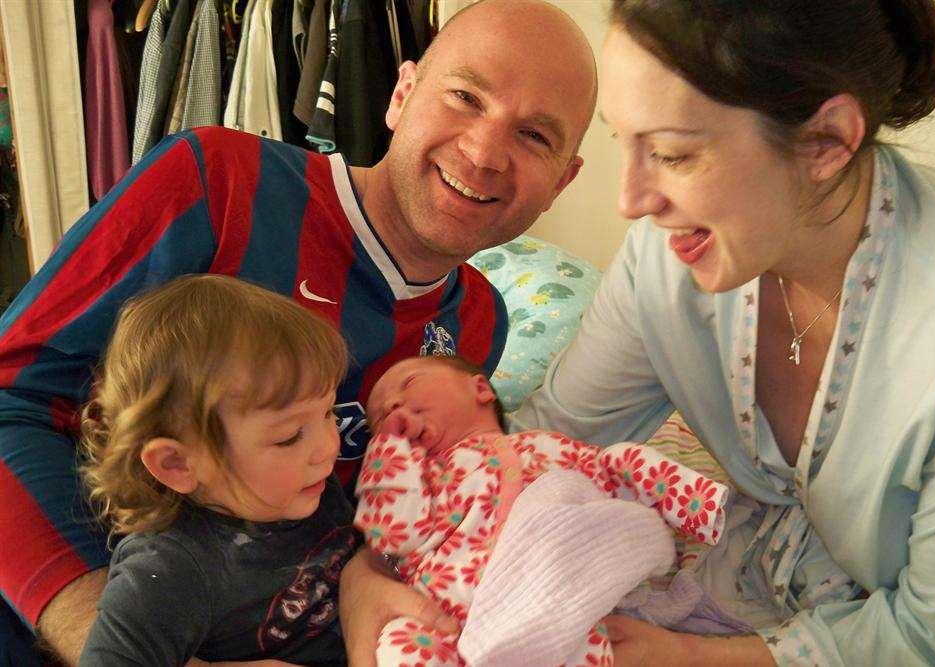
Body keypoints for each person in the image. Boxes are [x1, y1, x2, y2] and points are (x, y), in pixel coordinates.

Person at [0, 0, 597, 663]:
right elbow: (8, 399)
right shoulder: (219, 184)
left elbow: (409, 509)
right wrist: (112, 640)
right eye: (464, 96)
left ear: (563, 182)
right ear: (401, 94)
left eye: (535, 136)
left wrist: (367, 578)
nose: (484, 152)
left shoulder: (479, 322)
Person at [507, 1, 935, 666]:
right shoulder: (666, 260)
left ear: (826, 143)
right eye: (622, 139)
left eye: (674, 154)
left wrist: (683, 655)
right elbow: (546, 442)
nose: (630, 200)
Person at [355, 355, 732, 666]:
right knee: (396, 645)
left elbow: (614, 473)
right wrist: (389, 453)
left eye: (408, 384)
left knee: (589, 480)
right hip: (451, 615)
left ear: (480, 388)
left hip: (555, 596)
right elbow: (391, 534)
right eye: (377, 420)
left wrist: (692, 502)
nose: (391, 406)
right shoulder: (422, 481)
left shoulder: (550, 447)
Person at [77, 275, 356, 666]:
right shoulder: (170, 570)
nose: (329, 446)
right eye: (290, 436)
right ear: (177, 464)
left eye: (328, 412)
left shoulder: (308, 487)